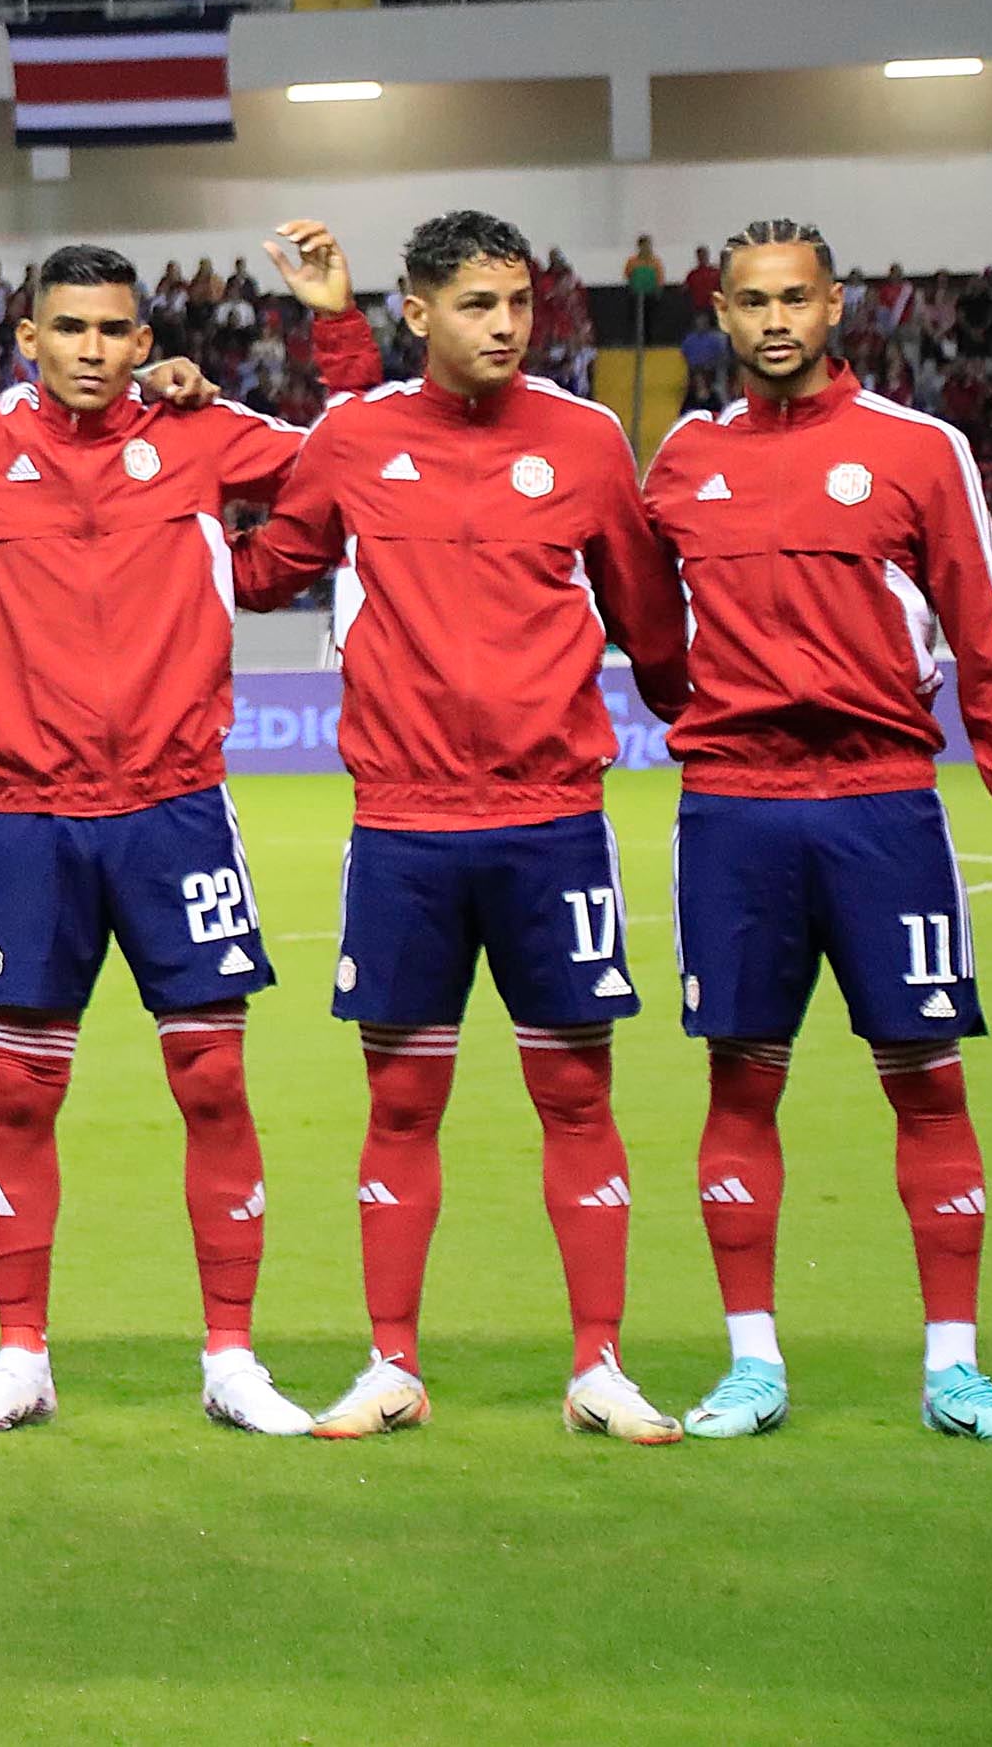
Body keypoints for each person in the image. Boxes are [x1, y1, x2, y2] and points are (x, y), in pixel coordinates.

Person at [0, 243, 376, 1437]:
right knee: (17, 1095)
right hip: (34, 819)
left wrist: (335, 335)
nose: (92, 351)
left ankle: (231, 1355)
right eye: (69, 329)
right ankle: (18, 1356)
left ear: (144, 342)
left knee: (211, 1081)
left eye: (113, 331)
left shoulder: (200, 436)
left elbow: (357, 465)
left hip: (176, 811)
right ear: (27, 340)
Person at [232, 215, 693, 1447]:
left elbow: (652, 623)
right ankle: (391, 1366)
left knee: (577, 1097)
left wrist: (703, 710)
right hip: (402, 824)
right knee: (399, 1104)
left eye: (519, 304)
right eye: (479, 305)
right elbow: (265, 570)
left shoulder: (586, 439)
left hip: (552, 823)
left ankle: (599, 1366)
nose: (506, 327)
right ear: (419, 314)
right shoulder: (357, 437)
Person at [643, 220, 992, 1445]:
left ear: (836, 307)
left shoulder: (915, 452)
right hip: (732, 810)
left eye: (795, 299)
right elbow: (637, 616)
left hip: (886, 807)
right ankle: (750, 1365)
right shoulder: (678, 461)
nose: (774, 321)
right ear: (716, 317)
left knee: (927, 1082)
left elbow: (988, 640)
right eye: (749, 303)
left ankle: (953, 1370)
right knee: (740, 1082)